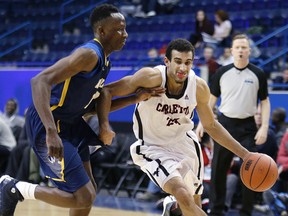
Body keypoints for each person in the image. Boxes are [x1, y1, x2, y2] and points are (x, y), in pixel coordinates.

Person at [97, 38, 255, 216]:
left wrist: (246, 154)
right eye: (178, 62)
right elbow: (106, 91)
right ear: (167, 61)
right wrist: (104, 125)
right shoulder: (150, 78)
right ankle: (175, 204)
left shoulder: (199, 87)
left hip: (186, 145)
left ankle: (173, 209)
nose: (183, 68)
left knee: (194, 204)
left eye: (188, 63)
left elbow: (211, 125)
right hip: (153, 146)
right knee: (182, 195)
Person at [0, 4, 131, 216]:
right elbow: (39, 81)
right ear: (102, 31)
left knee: (88, 194)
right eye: (119, 29)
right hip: (50, 122)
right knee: (84, 196)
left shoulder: (105, 62)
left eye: (125, 29)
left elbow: (91, 108)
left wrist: (137, 97)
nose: (125, 34)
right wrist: (51, 131)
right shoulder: (89, 54)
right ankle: (14, 188)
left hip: (72, 123)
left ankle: (15, 188)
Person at [196, 33, 271, 216]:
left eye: (244, 47)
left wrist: (264, 127)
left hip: (247, 128)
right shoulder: (222, 72)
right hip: (225, 126)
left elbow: (265, 102)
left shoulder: (258, 73)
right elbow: (211, 100)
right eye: (237, 47)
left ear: (249, 51)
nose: (240, 50)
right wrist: (201, 123)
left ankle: (246, 212)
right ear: (231, 50)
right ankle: (216, 211)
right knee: (218, 172)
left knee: (251, 171)